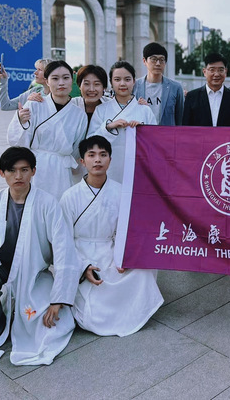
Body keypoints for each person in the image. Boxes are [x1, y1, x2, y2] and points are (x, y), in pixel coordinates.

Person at [0, 147, 79, 365]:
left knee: (44, 322)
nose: (18, 176)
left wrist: (59, 298)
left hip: (34, 270)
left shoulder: (48, 204)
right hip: (0, 264)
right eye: (12, 170)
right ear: (2, 173)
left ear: (34, 171)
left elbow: (64, 250)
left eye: (24, 170)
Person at [60, 136, 163, 337]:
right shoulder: (69, 196)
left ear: (110, 160)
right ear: (82, 161)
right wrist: (83, 267)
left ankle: (131, 310)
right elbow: (63, 241)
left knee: (144, 271)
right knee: (93, 310)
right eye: (91, 155)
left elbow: (129, 231)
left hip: (110, 251)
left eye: (103, 154)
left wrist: (126, 257)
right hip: (81, 255)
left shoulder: (121, 191)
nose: (97, 160)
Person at [7, 60, 87, 200]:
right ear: (47, 81)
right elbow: (16, 142)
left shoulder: (79, 114)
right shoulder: (34, 105)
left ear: (72, 80)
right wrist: (21, 122)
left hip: (61, 171)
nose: (61, 83)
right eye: (55, 78)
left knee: (60, 206)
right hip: (37, 168)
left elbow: (76, 150)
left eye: (66, 78)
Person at [89, 61, 156, 183]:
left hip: (138, 168)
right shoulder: (101, 109)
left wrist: (142, 131)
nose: (122, 84)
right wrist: (108, 127)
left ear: (134, 81)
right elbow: (90, 141)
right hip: (108, 169)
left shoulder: (145, 110)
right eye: (117, 79)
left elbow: (156, 143)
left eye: (127, 79)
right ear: (111, 82)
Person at [182, 52, 230, 126]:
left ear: (225, 72)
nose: (217, 74)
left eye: (221, 70)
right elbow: (186, 127)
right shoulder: (192, 97)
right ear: (204, 72)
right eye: (212, 70)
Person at [133, 42, 184, 125]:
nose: (158, 63)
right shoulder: (135, 86)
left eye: (161, 60)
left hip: (167, 132)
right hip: (142, 132)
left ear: (165, 63)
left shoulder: (175, 87)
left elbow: (180, 118)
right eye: (153, 59)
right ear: (144, 61)